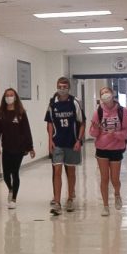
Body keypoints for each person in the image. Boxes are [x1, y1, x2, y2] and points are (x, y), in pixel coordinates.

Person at [89, 86, 127, 217]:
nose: (105, 95)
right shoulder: (98, 112)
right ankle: (105, 206)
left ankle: (117, 194)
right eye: (102, 93)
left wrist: (117, 134)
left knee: (115, 179)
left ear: (112, 94)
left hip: (116, 148)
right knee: (104, 178)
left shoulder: (122, 111)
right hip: (102, 149)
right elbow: (92, 132)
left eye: (107, 92)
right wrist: (96, 128)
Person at [44, 77, 85, 215]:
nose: (62, 89)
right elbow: (49, 123)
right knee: (57, 171)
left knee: (71, 172)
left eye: (65, 86)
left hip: (72, 142)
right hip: (57, 143)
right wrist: (50, 140)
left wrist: (79, 140)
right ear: (56, 87)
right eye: (60, 86)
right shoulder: (52, 103)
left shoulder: (74, 102)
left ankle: (70, 198)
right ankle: (56, 201)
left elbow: (82, 122)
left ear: (68, 88)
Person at [0, 88, 34, 209]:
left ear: (15, 97)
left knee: (15, 172)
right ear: (4, 98)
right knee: (6, 174)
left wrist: (30, 147)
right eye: (7, 95)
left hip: (19, 148)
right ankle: (10, 189)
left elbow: (26, 130)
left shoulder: (20, 112)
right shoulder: (0, 113)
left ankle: (14, 199)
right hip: (7, 147)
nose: (9, 97)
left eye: (11, 95)